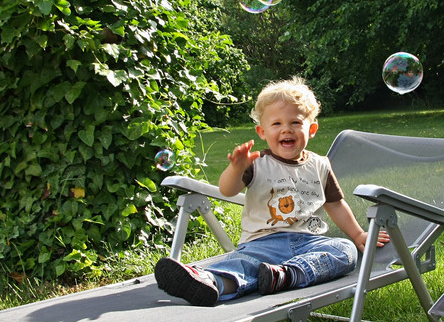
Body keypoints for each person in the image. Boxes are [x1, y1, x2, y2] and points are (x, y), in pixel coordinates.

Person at [155, 76, 389, 306]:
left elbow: (335, 204)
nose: (286, 130)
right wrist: (236, 168)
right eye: (276, 124)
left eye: (295, 122)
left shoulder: (320, 164)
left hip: (309, 242)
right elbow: (227, 190)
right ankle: (208, 282)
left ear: (312, 128)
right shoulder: (256, 163)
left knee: (344, 251)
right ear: (262, 132)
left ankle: (287, 275)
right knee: (243, 263)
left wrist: (358, 236)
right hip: (262, 242)